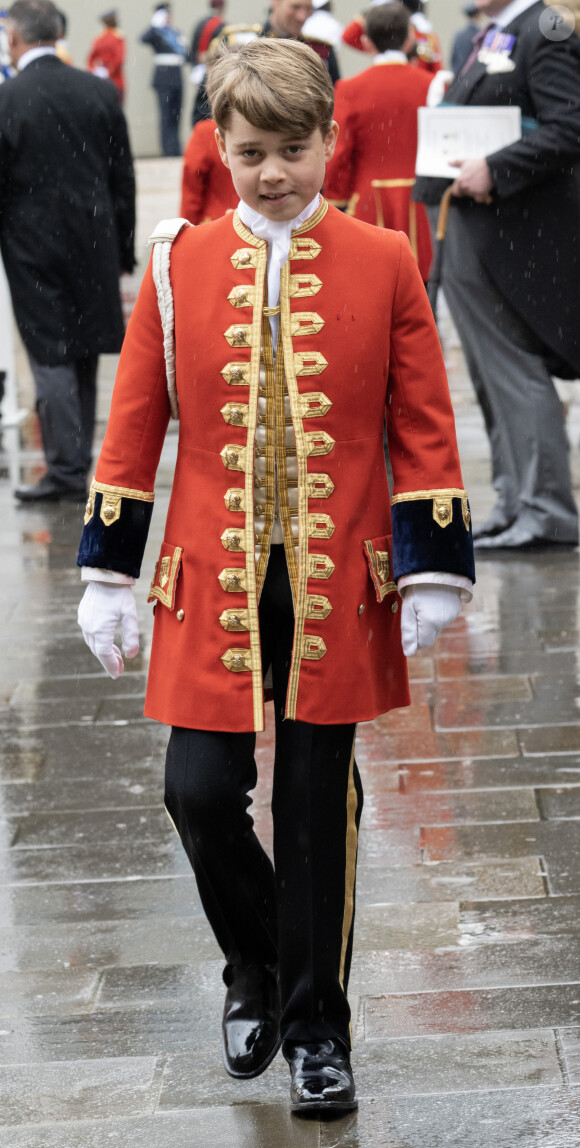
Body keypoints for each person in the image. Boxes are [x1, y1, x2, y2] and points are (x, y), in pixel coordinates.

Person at [76, 37, 474, 1115]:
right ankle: (252, 962)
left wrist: (434, 561)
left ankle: (316, 1030)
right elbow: (135, 425)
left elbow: (421, 418)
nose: (271, 173)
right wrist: (108, 570)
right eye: (250, 152)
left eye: (292, 150)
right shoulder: (177, 265)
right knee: (197, 792)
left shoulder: (385, 260)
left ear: (327, 144)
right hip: (209, 571)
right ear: (220, 146)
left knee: (310, 806)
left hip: (337, 573)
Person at [414, 0, 580, 549]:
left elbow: (570, 125)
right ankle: (516, 501)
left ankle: (546, 510)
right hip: (479, 224)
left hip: (513, 227)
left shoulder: (545, 28)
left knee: (514, 369)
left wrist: (497, 167)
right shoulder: (498, 34)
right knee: (491, 375)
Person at [0, 0, 136, 503]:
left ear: (14, 38)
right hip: (94, 240)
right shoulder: (97, 91)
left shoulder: (7, 98)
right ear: (58, 33)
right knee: (81, 352)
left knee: (50, 353)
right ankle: (78, 461)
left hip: (30, 244)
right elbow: (123, 176)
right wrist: (123, 245)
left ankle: (65, 469)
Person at [325, 2, 433, 281]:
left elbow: (340, 150)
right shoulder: (431, 84)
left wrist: (337, 197)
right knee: (422, 290)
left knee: (371, 281)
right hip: (421, 201)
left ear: (366, 42)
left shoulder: (350, 89)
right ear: (410, 38)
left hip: (368, 201)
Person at [191, 0, 340, 126]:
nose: (302, 16)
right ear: (275, 2)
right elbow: (206, 107)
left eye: (308, 8)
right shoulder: (238, 40)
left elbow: (333, 103)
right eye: (295, 7)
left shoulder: (321, 50)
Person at [140, 3, 188, 156]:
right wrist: (153, 25)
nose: (169, 19)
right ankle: (168, 149)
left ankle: (175, 148)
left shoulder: (175, 33)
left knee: (176, 114)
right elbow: (143, 38)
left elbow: (186, 54)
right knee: (166, 115)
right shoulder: (156, 34)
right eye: (166, 16)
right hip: (164, 78)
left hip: (176, 77)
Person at [343, 0, 443, 72]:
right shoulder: (383, 34)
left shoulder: (424, 36)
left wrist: (373, 12)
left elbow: (436, 69)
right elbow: (349, 36)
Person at [180, 116, 237, 223]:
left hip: (214, 222)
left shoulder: (205, 132)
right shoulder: (265, 126)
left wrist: (186, 228)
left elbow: (191, 192)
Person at [87, 8, 126, 103]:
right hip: (115, 80)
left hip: (99, 81)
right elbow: (119, 60)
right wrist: (109, 71)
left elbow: (90, 59)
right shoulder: (118, 38)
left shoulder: (98, 38)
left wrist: (96, 71)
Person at [450, 3, 481, 75]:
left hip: (459, 75)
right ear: (478, 15)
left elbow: (453, 59)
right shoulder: (482, 34)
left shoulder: (459, 35)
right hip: (475, 75)